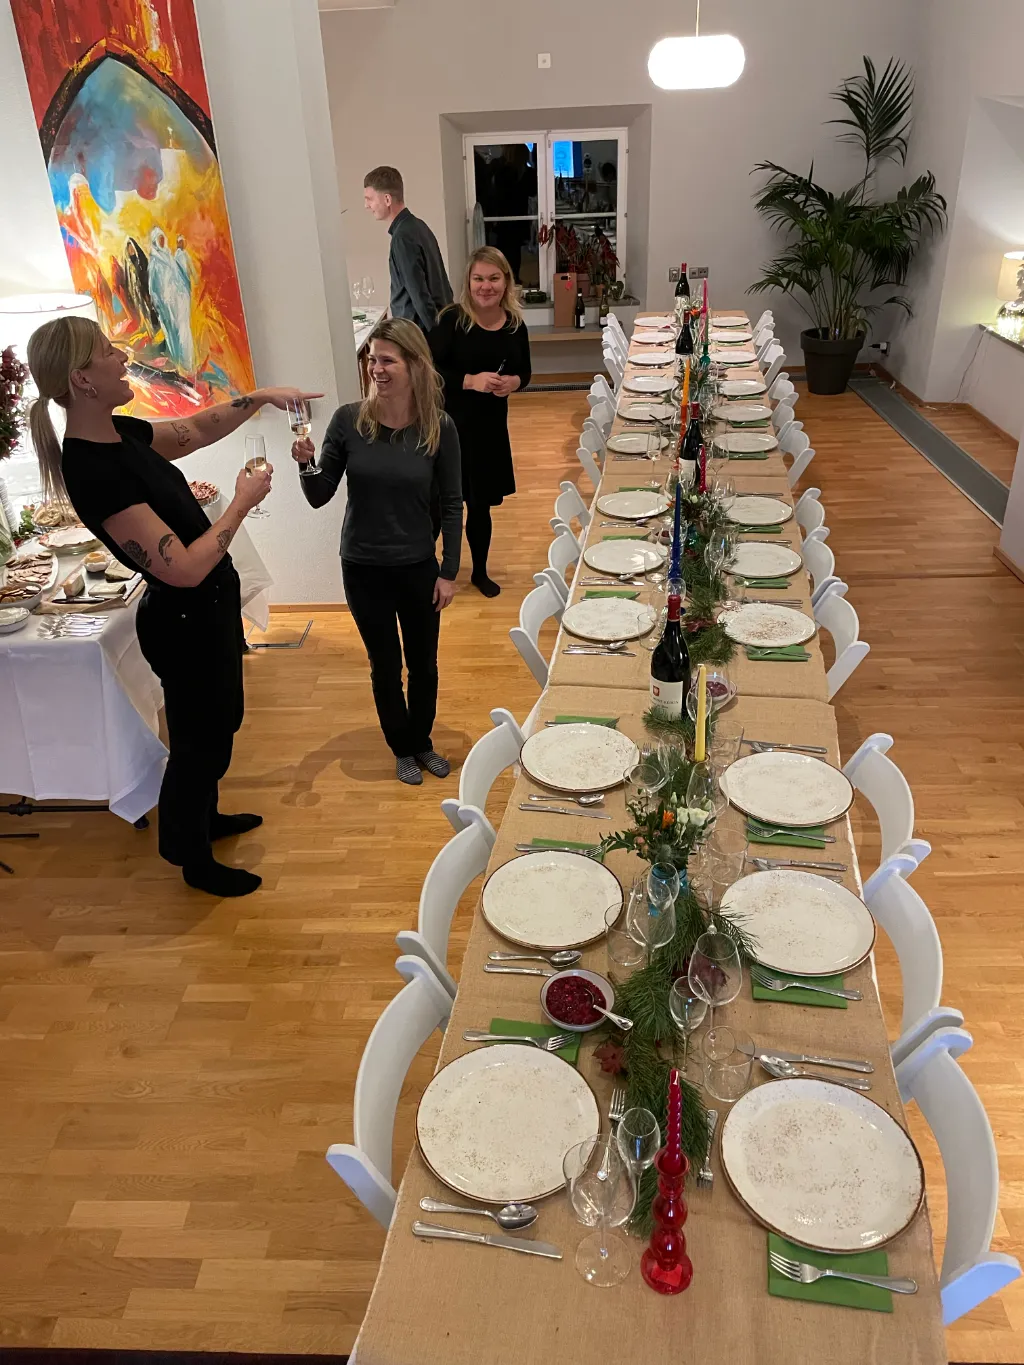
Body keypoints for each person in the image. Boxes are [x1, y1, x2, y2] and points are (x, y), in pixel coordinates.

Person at [25, 315, 320, 898]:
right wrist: (239, 504)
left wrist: (258, 397)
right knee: (197, 743)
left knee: (216, 728)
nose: (121, 356)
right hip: (183, 618)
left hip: (203, 612)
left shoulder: (120, 435)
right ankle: (189, 855)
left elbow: (194, 431)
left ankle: (204, 822)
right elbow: (181, 567)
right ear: (83, 379)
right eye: (109, 351)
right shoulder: (93, 468)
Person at [291, 318, 461, 786]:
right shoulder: (350, 420)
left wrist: (448, 572)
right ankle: (401, 745)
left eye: (387, 359)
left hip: (418, 568)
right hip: (363, 568)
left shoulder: (438, 427)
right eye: (371, 358)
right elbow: (320, 494)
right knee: (385, 665)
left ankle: (421, 740)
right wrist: (306, 465)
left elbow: (451, 504)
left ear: (414, 364)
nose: (375, 368)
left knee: (424, 664)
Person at [428, 247, 531, 597]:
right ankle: (436, 570)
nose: (485, 286)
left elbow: (525, 373)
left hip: (488, 429)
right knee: (440, 503)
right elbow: (429, 369)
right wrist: (470, 380)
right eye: (478, 279)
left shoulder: (515, 326)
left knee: (480, 505)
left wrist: (512, 383)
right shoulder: (451, 320)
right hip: (448, 426)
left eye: (493, 278)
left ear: (506, 282)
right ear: (468, 282)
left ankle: (480, 572)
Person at [363, 166, 453, 333]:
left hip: (417, 334)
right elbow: (442, 285)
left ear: (387, 199)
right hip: (435, 325)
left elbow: (419, 294)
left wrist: (438, 336)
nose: (367, 205)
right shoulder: (419, 226)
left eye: (370, 199)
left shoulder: (402, 237)